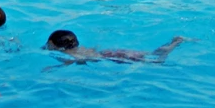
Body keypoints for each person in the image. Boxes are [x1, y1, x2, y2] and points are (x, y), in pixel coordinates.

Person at [45, 30, 186, 65]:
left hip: (111, 57)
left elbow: (73, 62)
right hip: (109, 53)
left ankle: (171, 46)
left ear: (52, 44)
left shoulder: (72, 55)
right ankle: (174, 42)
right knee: (150, 54)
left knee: (156, 62)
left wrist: (53, 68)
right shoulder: (81, 48)